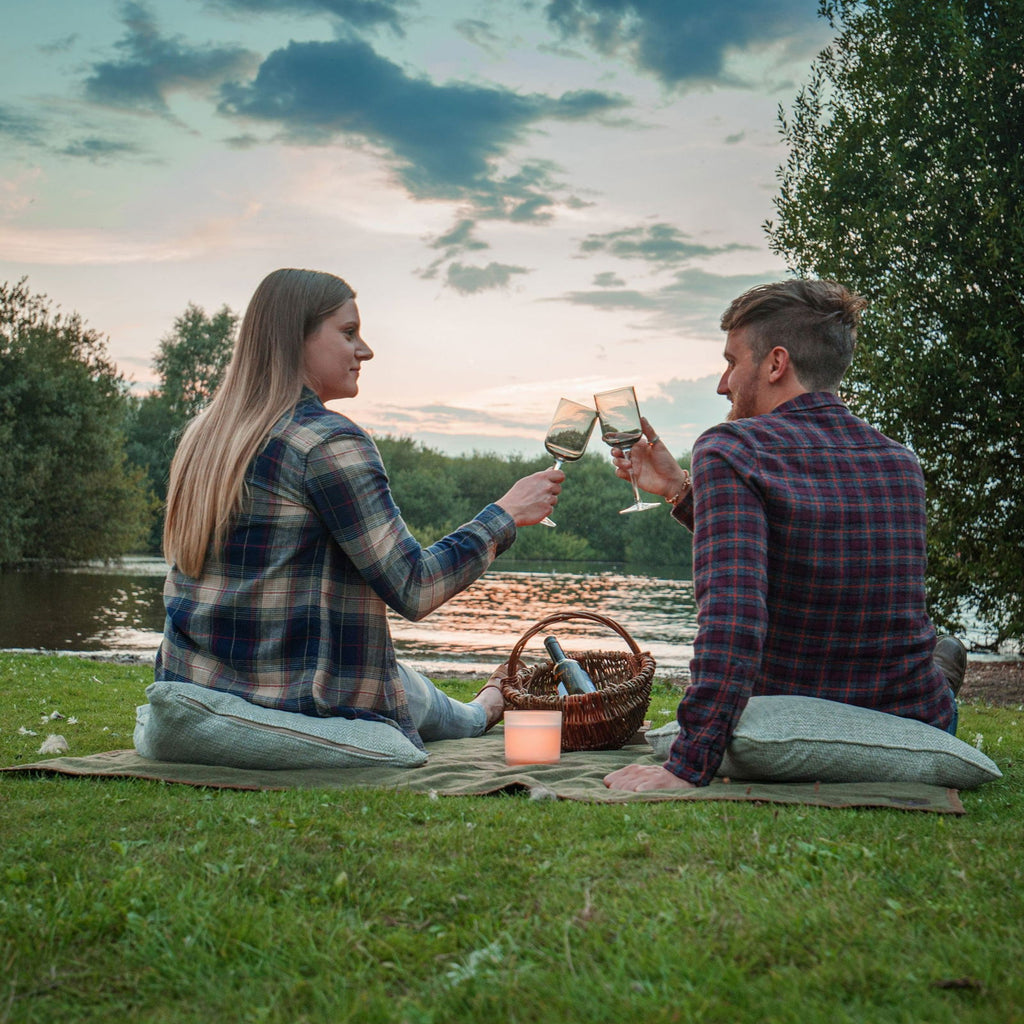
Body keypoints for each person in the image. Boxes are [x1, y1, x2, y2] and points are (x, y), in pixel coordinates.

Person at [157, 268, 564, 750]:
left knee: (400, 681)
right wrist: (505, 513)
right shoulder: (330, 442)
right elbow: (414, 586)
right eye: (348, 333)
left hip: (191, 690)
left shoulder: (205, 438)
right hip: (293, 705)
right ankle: (484, 712)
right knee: (407, 692)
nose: (365, 351)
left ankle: (480, 709)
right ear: (296, 340)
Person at [604, 279, 966, 792]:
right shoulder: (900, 462)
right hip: (919, 716)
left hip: (797, 706)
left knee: (935, 655)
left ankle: (943, 667)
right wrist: (679, 491)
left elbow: (735, 618)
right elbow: (808, 552)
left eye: (732, 362)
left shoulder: (729, 447)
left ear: (776, 364)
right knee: (936, 654)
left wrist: (687, 766)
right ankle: (942, 672)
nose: (722, 384)